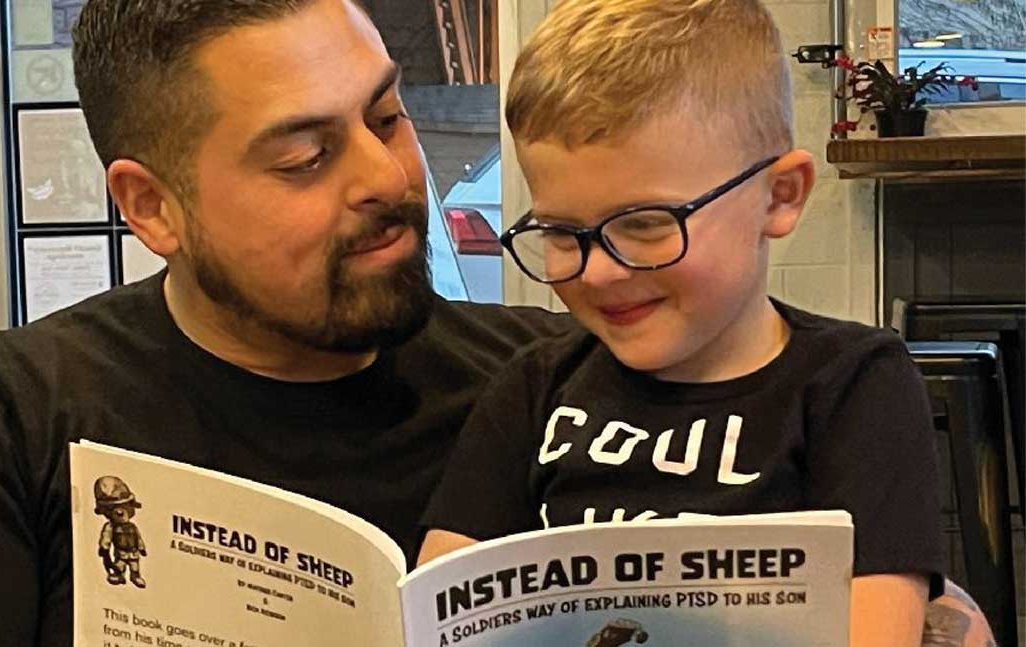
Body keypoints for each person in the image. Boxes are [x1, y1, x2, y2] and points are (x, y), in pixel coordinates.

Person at [0, 1, 572, 645]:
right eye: (305, 157)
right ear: (153, 206)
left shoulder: (557, 384)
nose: (388, 178)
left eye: (386, 119)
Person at [417, 1, 997, 646]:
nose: (601, 272)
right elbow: (444, 597)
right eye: (560, 232)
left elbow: (879, 625)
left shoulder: (854, 386)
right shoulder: (533, 387)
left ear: (779, 196)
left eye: (645, 224)